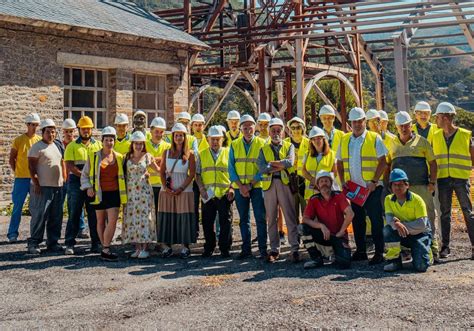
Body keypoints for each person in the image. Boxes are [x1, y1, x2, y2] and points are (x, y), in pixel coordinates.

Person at [385, 111, 439, 262]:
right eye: (400, 126)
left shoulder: (422, 142)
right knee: (402, 218)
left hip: (421, 187)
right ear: (396, 127)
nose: (404, 128)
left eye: (406, 125)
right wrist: (387, 186)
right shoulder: (391, 144)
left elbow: (433, 163)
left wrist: (432, 183)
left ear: (411, 125)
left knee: (428, 217)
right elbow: (387, 165)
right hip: (400, 190)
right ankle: (405, 250)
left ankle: (432, 248)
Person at [336, 107, 388, 265]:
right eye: (354, 122)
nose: (357, 124)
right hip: (354, 190)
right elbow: (338, 161)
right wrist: (342, 180)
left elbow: (383, 161)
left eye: (360, 121)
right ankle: (361, 251)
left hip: (371, 188)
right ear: (350, 123)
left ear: (365, 121)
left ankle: (379, 252)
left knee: (376, 220)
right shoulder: (345, 139)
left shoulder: (374, 138)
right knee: (358, 221)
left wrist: (374, 181)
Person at [432, 102, 474, 260]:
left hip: (461, 179)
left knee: (468, 212)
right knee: (445, 213)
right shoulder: (435, 136)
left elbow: (473, 155)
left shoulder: (465, 135)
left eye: (437, 117)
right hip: (443, 178)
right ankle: (445, 246)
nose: (436, 120)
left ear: (444, 118)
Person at [81, 126, 127, 261]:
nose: (109, 143)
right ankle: (105, 248)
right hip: (98, 193)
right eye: (107, 140)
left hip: (114, 194)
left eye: (111, 140)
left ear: (114, 142)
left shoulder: (119, 158)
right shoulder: (94, 156)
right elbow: (84, 175)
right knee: (100, 221)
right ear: (102, 141)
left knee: (112, 221)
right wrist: (88, 187)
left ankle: (106, 247)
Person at [257, 118, 299, 263]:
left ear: (282, 131)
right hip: (269, 186)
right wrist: (280, 164)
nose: (276, 133)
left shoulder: (289, 146)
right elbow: (261, 168)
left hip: (284, 184)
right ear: (269, 132)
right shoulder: (263, 149)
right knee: (272, 219)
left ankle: (294, 248)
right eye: (273, 130)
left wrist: (271, 164)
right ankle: (274, 249)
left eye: (278, 130)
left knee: (290, 217)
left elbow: (290, 162)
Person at [229, 114, 267, 259]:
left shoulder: (262, 143)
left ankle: (263, 249)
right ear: (241, 128)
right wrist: (241, 186)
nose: (247, 129)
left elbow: (264, 167)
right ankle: (246, 249)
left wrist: (250, 184)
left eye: (250, 126)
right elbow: (231, 168)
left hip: (256, 187)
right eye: (244, 127)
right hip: (240, 188)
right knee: (243, 219)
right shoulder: (234, 144)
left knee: (260, 218)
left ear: (254, 127)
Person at [157, 123, 197, 258]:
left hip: (184, 190)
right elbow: (162, 172)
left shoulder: (190, 154)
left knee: (184, 217)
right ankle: (167, 246)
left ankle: (185, 247)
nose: (178, 138)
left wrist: (181, 188)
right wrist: (166, 187)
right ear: (173, 137)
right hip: (167, 191)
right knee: (168, 217)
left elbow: (192, 174)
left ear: (185, 137)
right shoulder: (166, 152)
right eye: (176, 135)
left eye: (181, 135)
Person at [64, 116, 102, 255]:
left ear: (91, 129)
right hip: (76, 183)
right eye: (83, 129)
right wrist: (85, 176)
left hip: (93, 183)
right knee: (74, 213)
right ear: (79, 129)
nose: (86, 131)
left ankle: (96, 244)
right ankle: (69, 243)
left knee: (94, 214)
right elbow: (69, 165)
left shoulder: (98, 145)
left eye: (88, 129)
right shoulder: (72, 146)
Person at [26, 119, 65, 254]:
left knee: (56, 216)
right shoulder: (37, 147)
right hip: (42, 187)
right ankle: (34, 243)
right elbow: (31, 167)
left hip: (57, 187)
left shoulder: (57, 146)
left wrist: (63, 180)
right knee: (39, 216)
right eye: (48, 132)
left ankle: (52, 243)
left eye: (53, 132)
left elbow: (61, 162)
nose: (51, 135)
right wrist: (36, 183)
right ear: (42, 132)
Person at [300, 171, 354, 269]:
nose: (324, 183)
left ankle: (332, 254)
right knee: (302, 228)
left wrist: (342, 231)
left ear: (331, 183)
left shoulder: (339, 196)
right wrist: (321, 226)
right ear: (318, 185)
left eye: (326, 181)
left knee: (344, 263)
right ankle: (316, 259)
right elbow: (305, 219)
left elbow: (350, 213)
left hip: (338, 236)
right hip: (324, 235)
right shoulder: (313, 199)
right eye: (321, 181)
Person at [383, 169, 432, 272]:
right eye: (394, 185)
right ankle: (394, 261)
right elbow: (389, 219)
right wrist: (396, 223)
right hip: (403, 234)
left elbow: (421, 225)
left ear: (407, 185)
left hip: (420, 234)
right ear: (391, 187)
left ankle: (427, 252)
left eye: (400, 184)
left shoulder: (417, 200)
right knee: (387, 230)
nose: (397, 187)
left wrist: (400, 225)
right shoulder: (388, 199)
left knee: (421, 267)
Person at [196, 126, 234, 258]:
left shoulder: (229, 153)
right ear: (208, 139)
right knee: (207, 222)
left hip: (224, 193)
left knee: (226, 222)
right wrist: (201, 189)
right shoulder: (202, 154)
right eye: (212, 139)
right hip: (208, 194)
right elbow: (197, 174)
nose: (215, 142)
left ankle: (225, 248)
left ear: (222, 139)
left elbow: (234, 173)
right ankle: (209, 247)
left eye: (217, 139)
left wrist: (232, 188)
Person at [122, 131, 159, 259]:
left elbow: (158, 170)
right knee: (133, 220)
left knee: (145, 219)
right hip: (131, 193)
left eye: (140, 144)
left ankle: (145, 248)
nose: (138, 146)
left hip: (145, 193)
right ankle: (137, 248)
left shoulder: (148, 156)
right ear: (132, 144)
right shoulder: (127, 157)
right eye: (136, 144)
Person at [7, 113, 41, 242]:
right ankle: (12, 233)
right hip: (21, 179)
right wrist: (18, 171)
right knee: (17, 207)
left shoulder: (39, 140)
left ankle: (35, 235)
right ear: (27, 125)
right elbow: (12, 159)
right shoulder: (18, 140)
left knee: (36, 208)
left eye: (36, 125)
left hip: (35, 180)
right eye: (32, 125)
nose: (34, 127)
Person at [61, 119, 88, 239]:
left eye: (71, 131)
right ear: (63, 132)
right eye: (67, 131)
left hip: (74, 179)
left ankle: (81, 229)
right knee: (65, 207)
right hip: (62, 180)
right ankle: (63, 233)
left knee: (78, 206)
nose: (69, 133)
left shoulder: (76, 145)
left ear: (74, 132)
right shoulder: (59, 145)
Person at [284, 116, 310, 222]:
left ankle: (306, 236)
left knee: (306, 212)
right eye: (293, 128)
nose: (296, 130)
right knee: (292, 212)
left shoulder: (309, 143)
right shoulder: (285, 143)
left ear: (303, 128)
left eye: (298, 127)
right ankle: (294, 237)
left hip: (305, 181)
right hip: (290, 181)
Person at [302, 126, 337, 200]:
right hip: (310, 193)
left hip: (326, 193)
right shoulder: (307, 154)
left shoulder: (332, 154)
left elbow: (334, 173)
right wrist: (312, 179)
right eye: (314, 139)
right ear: (311, 141)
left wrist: (321, 183)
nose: (316, 141)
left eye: (318, 138)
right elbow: (303, 171)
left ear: (323, 139)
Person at [145, 117, 170, 215]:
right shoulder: (144, 145)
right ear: (151, 130)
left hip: (162, 185)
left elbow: (168, 163)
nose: (159, 134)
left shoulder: (168, 146)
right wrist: (160, 159)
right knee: (148, 214)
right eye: (157, 131)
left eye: (161, 132)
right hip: (148, 185)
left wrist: (153, 160)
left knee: (160, 214)